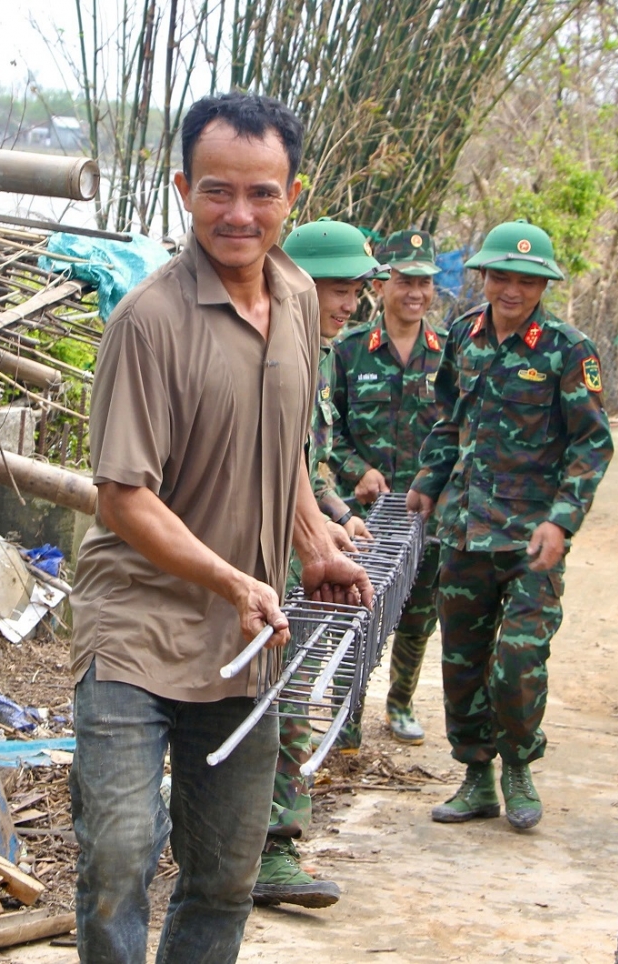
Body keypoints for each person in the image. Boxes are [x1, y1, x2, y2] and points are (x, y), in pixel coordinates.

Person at [68, 92, 373, 964]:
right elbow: (124, 498)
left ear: (293, 194)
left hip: (244, 639)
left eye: (262, 193)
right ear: (182, 190)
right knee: (120, 854)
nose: (240, 214)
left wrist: (313, 545)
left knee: (227, 872)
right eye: (217, 191)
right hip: (137, 627)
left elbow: (286, 451)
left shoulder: (304, 299)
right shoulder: (149, 322)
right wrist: (237, 579)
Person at [406, 219, 613, 831]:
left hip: (530, 538)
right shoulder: (463, 337)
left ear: (542, 285)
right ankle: (476, 777)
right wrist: (427, 480)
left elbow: (591, 445)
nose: (512, 290)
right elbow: (448, 420)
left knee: (518, 661)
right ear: (485, 277)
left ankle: (520, 764)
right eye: (502, 276)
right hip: (465, 529)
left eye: (527, 280)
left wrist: (562, 522)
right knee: (463, 660)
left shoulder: (567, 349)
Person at [252, 218, 380, 909]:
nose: (349, 306)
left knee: (287, 691)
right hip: (240, 556)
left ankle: (270, 845)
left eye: (356, 293)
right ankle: (265, 850)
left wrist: (329, 514)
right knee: (275, 697)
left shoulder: (313, 350)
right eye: (337, 290)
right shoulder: (267, 346)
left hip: (282, 547)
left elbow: (306, 460)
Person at [327, 229, 446, 748]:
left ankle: (400, 701)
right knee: (357, 609)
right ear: (383, 285)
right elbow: (326, 434)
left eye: (423, 282)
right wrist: (358, 470)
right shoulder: (349, 351)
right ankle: (345, 710)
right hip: (365, 514)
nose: (414, 292)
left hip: (427, 514)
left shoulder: (450, 354)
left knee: (420, 612)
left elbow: (461, 431)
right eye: (404, 280)